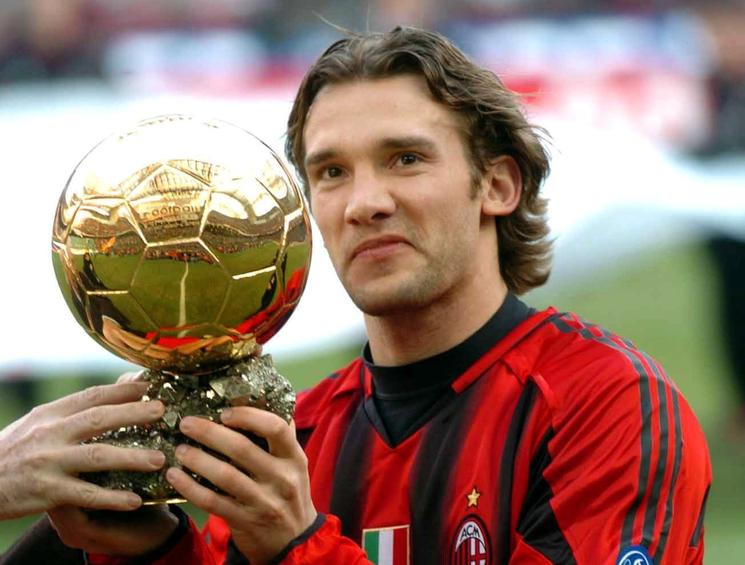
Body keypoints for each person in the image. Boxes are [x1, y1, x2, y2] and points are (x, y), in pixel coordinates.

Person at [2, 27, 711, 565]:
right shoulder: (295, 435)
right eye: (332, 172)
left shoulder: (607, 404)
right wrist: (149, 551)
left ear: (497, 184)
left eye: (405, 159)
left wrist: (297, 544)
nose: (364, 202)